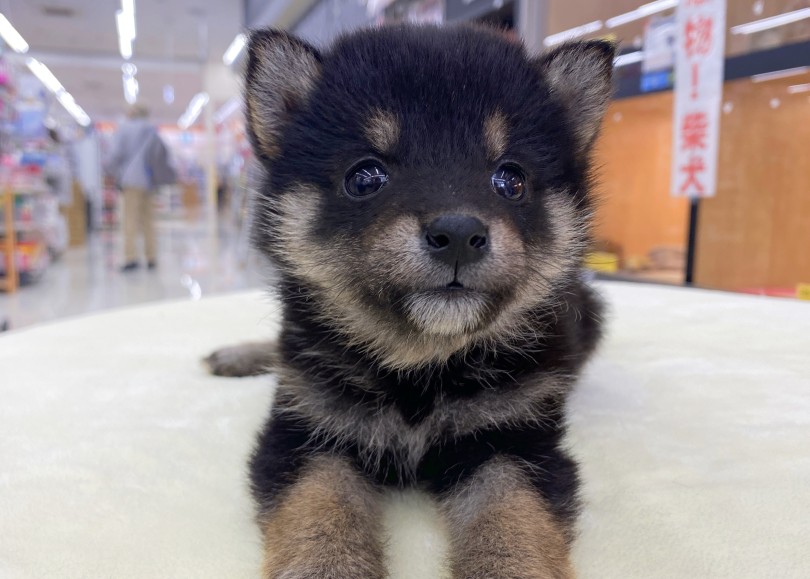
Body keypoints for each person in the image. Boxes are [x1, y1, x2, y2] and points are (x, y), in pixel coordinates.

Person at [105, 105, 173, 272]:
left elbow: (115, 154)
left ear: (132, 113)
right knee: (149, 220)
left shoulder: (124, 129)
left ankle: (130, 259)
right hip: (149, 181)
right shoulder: (152, 130)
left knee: (130, 220)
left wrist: (110, 171)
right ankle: (151, 258)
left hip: (130, 181)